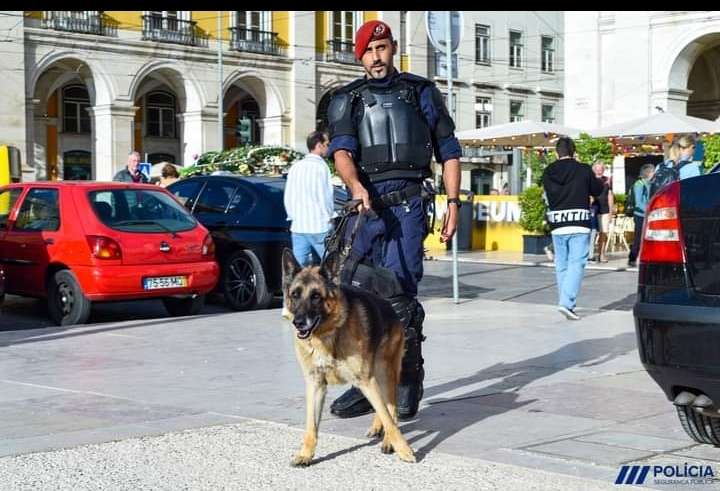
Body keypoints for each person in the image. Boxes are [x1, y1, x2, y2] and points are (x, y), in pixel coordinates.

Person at [326, 19, 461, 420]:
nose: (376, 57)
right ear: (360, 55)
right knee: (354, 295)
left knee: (399, 293)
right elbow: (342, 152)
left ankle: (407, 377)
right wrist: (355, 187)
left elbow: (449, 150)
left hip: (407, 207)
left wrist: (454, 203)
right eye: (369, 51)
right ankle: (364, 380)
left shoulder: (421, 92)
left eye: (382, 48)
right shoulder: (347, 99)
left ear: (393, 48)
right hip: (366, 207)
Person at [543, 137, 604, 320]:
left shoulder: (548, 171)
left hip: (557, 223)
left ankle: (566, 303)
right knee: (577, 263)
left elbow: (548, 194)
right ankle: (566, 303)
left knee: (562, 265)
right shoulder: (583, 169)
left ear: (556, 153)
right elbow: (597, 189)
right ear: (574, 152)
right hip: (579, 222)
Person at [283, 131, 335, 267]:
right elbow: (325, 196)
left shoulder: (295, 167)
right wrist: (330, 216)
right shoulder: (321, 167)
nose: (328, 147)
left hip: (298, 226)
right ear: (319, 145)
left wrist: (293, 216)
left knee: (298, 270)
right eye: (326, 144)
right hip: (319, 225)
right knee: (330, 267)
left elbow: (288, 196)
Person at [627, 163, 656, 267]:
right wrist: (649, 211)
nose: (655, 174)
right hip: (640, 215)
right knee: (638, 238)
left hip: (647, 215)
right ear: (648, 173)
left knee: (648, 238)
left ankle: (646, 258)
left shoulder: (649, 184)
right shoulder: (639, 184)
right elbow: (638, 203)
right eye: (653, 171)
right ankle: (632, 258)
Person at [591, 162, 614, 263]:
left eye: (601, 169)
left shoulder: (607, 180)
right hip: (593, 209)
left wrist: (611, 211)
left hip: (604, 210)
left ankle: (602, 254)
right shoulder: (590, 180)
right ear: (594, 170)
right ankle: (591, 254)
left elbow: (610, 195)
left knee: (603, 233)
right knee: (593, 233)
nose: (599, 171)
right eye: (597, 169)